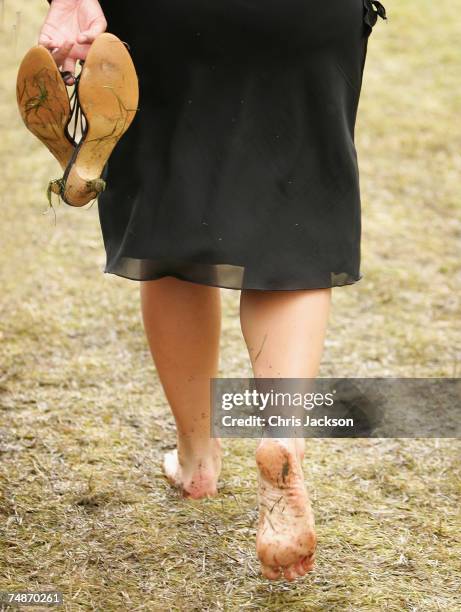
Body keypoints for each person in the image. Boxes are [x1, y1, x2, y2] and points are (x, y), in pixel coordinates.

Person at [38, 0, 386, 582]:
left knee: (173, 217)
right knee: (293, 223)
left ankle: (197, 457)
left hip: (169, 19)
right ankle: (281, 437)